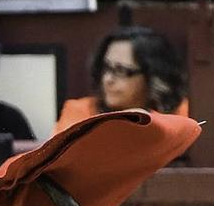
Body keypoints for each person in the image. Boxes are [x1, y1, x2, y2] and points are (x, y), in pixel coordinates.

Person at [53, 26, 188, 134]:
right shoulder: (79, 111)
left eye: (120, 70)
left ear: (153, 76)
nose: (107, 79)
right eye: (106, 68)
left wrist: (150, 122)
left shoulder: (182, 114)